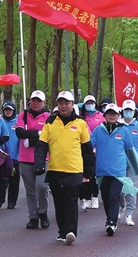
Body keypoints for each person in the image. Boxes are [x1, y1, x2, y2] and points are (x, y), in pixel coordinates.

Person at [34, 91, 94, 245]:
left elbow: (87, 149)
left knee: (71, 201)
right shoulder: (50, 122)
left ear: (72, 104)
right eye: (61, 103)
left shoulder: (81, 123)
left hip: (74, 170)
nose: (63, 106)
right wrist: (40, 165)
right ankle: (62, 231)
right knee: (59, 203)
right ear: (57, 104)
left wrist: (89, 172)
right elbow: (41, 146)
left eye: (67, 103)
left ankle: (71, 231)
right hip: (55, 169)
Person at [91, 103, 138, 236]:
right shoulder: (98, 130)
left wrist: (137, 170)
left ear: (118, 115)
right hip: (102, 171)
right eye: (109, 113)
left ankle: (111, 223)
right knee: (106, 197)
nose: (111, 116)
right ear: (105, 115)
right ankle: (110, 219)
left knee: (114, 195)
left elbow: (130, 151)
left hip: (118, 172)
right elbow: (89, 146)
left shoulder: (123, 130)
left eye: (114, 113)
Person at [15, 90, 52, 230]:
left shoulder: (48, 117)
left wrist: (30, 140)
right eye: (33, 100)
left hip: (42, 158)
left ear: (44, 102)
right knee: (30, 190)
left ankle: (43, 213)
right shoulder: (23, 115)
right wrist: (37, 133)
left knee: (42, 187)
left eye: (39, 101)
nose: (36, 103)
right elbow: (19, 133)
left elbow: (48, 137)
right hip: (25, 158)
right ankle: (33, 216)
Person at [119, 99, 138, 226]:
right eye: (126, 110)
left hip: (134, 164)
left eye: (130, 110)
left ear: (134, 111)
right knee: (119, 190)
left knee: (131, 190)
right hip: (119, 162)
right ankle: (122, 206)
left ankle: (129, 215)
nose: (128, 113)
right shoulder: (118, 125)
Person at [79, 95, 104, 210]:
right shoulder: (81, 116)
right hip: (83, 148)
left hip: (98, 149)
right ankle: (86, 197)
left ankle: (95, 196)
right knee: (85, 174)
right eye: (87, 103)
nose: (90, 105)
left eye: (92, 102)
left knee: (94, 174)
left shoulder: (100, 116)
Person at [0, 100, 20, 209]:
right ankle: (0, 199)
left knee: (13, 180)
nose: (8, 112)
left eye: (10, 110)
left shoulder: (18, 120)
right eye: (6, 110)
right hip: (2, 155)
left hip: (15, 156)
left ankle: (12, 201)